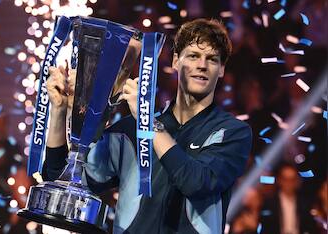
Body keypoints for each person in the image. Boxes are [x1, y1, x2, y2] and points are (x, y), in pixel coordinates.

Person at [43, 18, 252, 234]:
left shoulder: (231, 132)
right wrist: (58, 113)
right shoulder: (129, 132)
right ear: (175, 61)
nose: (202, 65)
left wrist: (148, 121)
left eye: (212, 59)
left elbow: (197, 183)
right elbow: (59, 179)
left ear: (221, 69)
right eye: (193, 56)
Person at [260, 163, 318, 234]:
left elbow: (310, 226)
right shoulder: (269, 203)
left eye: (292, 180)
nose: (289, 184)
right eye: (286, 179)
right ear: (280, 180)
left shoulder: (304, 203)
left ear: (296, 181)